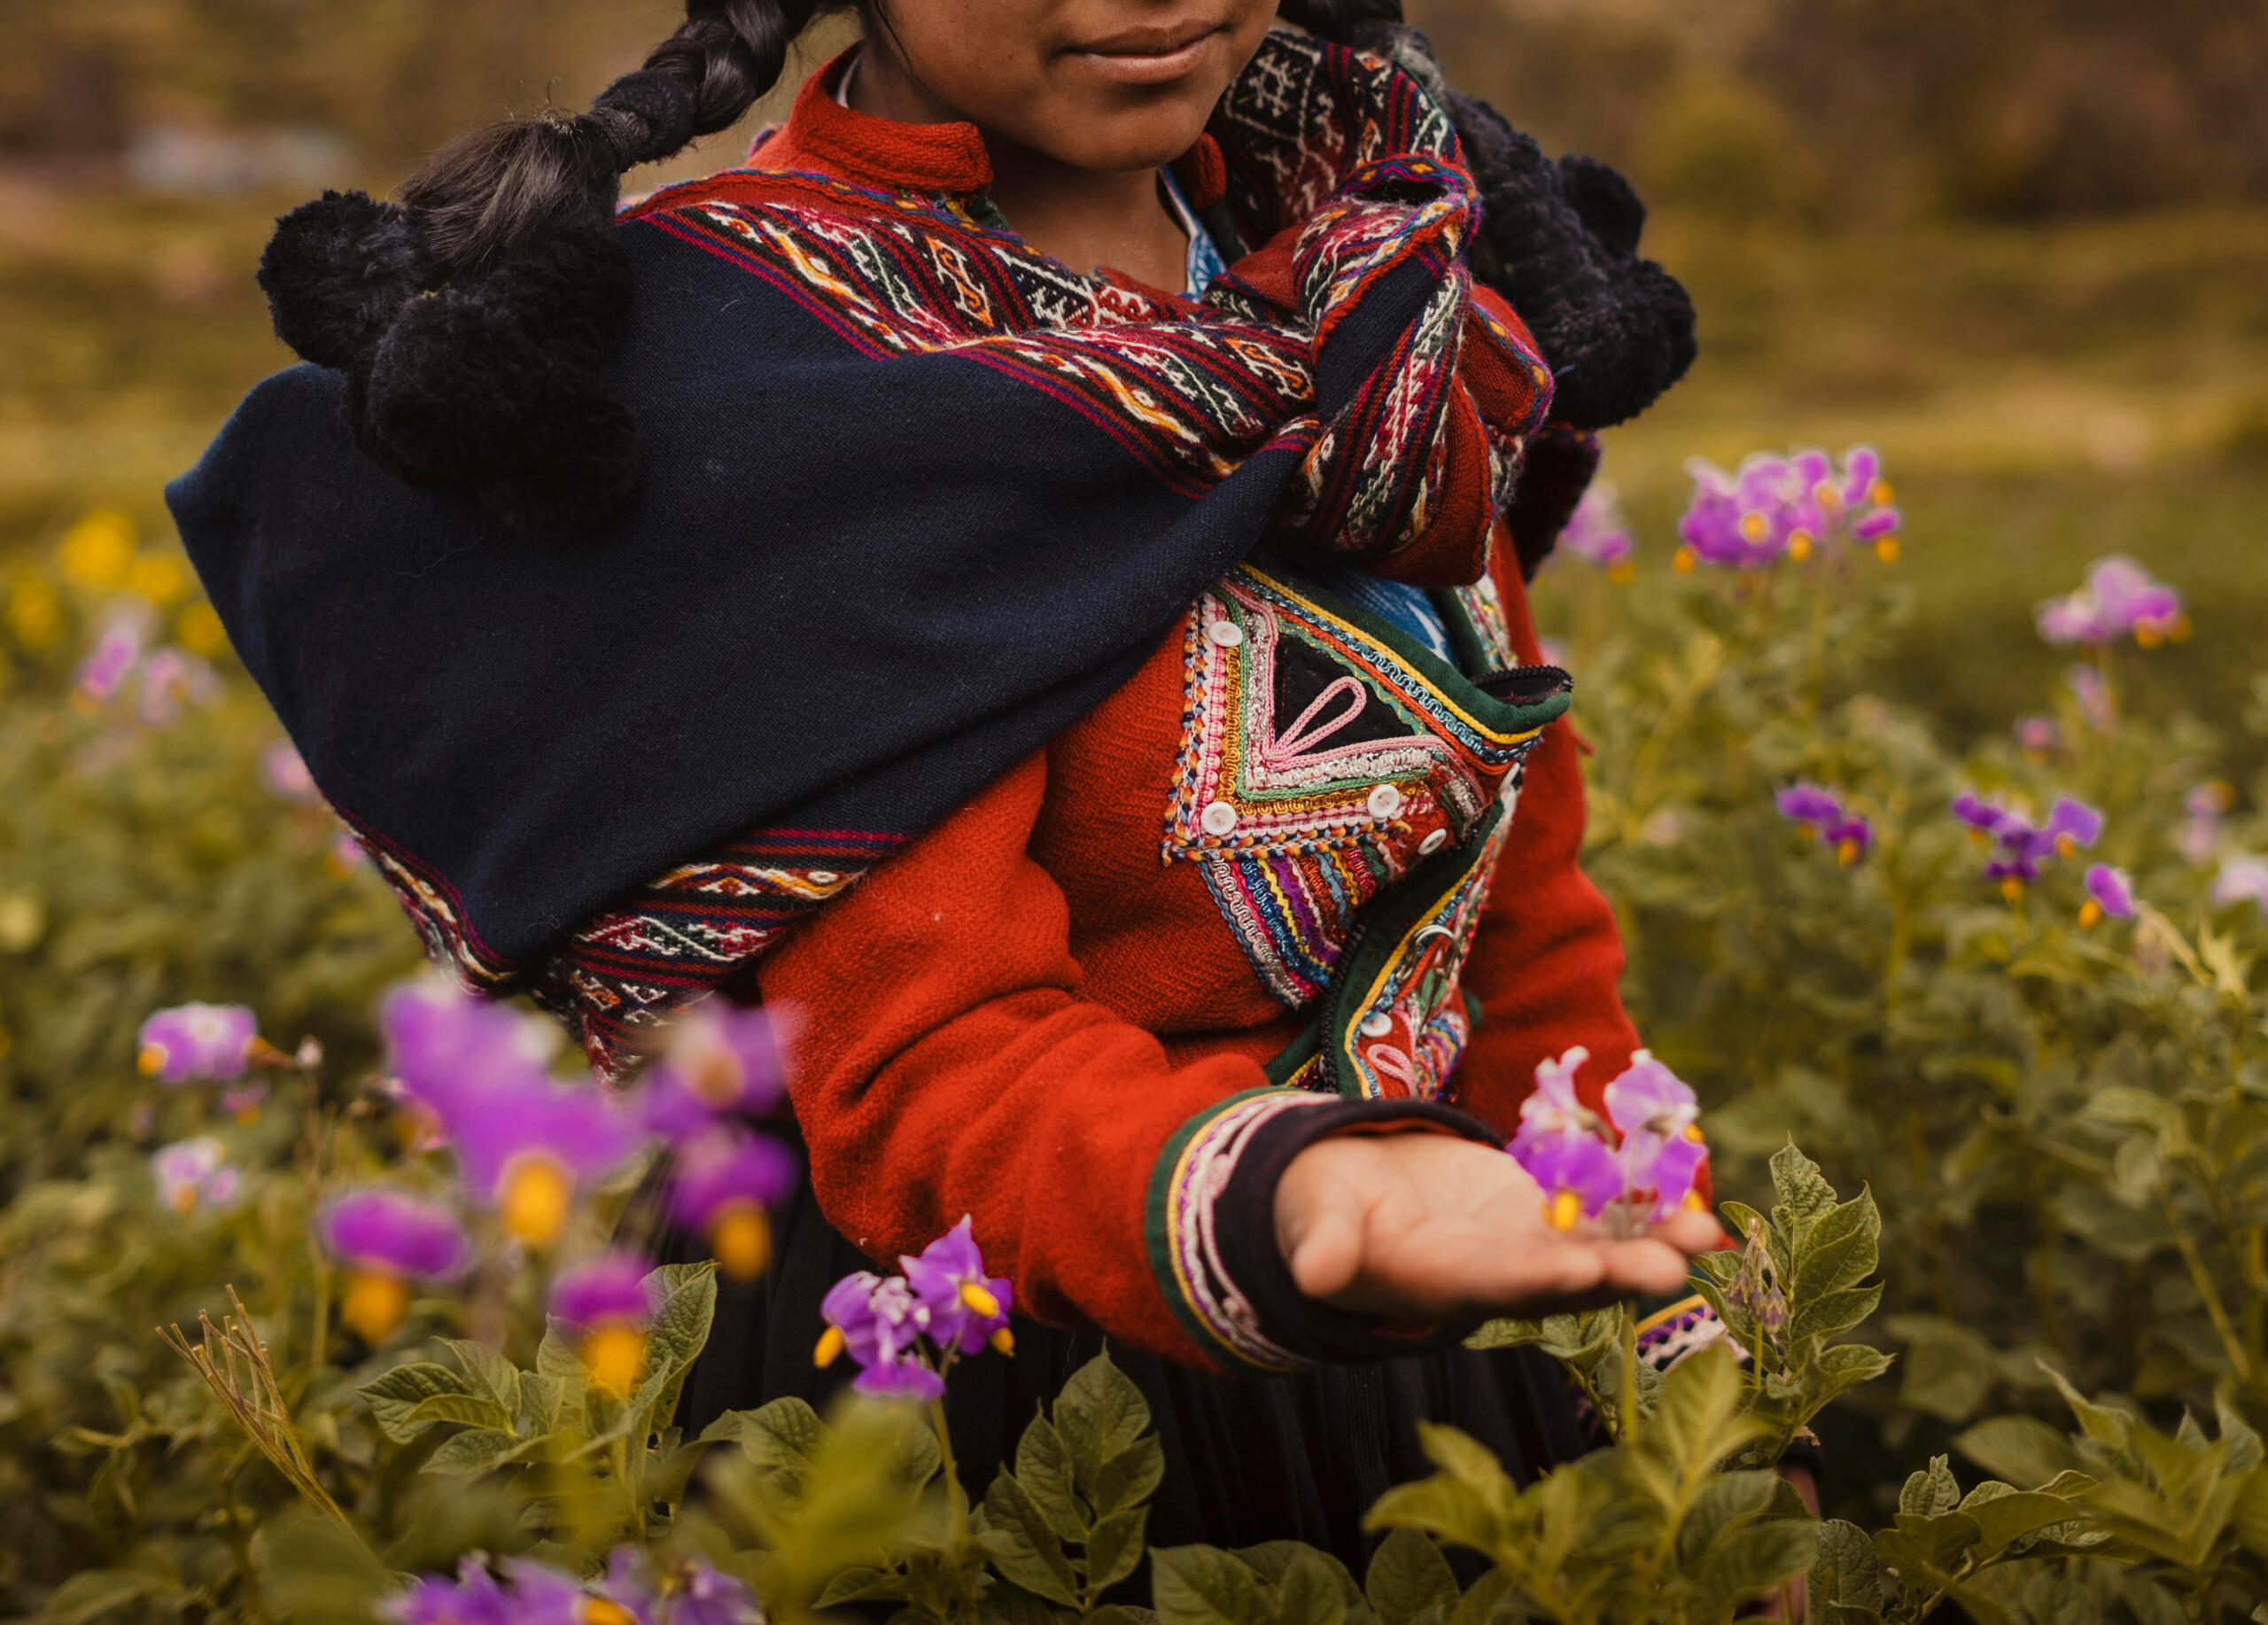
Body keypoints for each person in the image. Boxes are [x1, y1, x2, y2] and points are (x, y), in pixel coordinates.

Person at [170, 0, 1728, 1561]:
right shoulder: (769, 385)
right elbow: (923, 1055)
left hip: (1467, 1314)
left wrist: (1699, 1397)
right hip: (1012, 1389)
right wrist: (1312, 1201)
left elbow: (1518, 919)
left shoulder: (1367, 267)